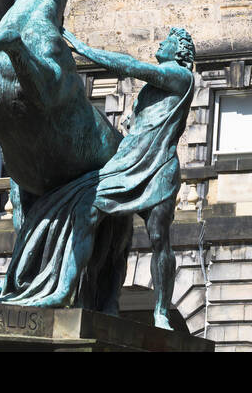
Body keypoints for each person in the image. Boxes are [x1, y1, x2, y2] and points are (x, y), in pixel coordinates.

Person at [58, 26, 196, 329]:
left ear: (179, 52)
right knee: (87, 209)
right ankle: (70, 291)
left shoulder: (180, 76)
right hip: (127, 165)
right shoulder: (150, 91)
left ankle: (161, 311)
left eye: (167, 41)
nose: (160, 43)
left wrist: (82, 47)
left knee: (159, 238)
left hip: (158, 167)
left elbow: (130, 66)